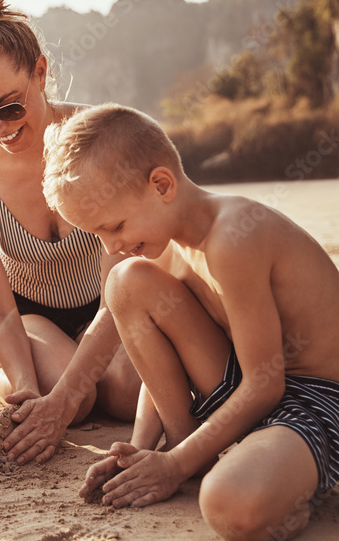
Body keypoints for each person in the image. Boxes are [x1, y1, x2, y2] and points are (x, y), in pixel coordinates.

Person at [42, 103, 339, 540]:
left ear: (161, 184)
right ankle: (198, 455)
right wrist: (141, 450)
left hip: (315, 401)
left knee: (228, 504)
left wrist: (175, 462)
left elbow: (265, 383)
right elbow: (156, 367)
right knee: (126, 282)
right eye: (99, 236)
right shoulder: (166, 248)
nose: (114, 245)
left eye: (116, 226)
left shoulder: (233, 237)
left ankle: (209, 466)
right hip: (246, 388)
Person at [0, 0, 141, 465]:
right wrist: (27, 392)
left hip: (102, 301)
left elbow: (120, 293)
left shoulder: (100, 137)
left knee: (125, 395)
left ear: (40, 72)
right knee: (75, 401)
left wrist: (67, 393)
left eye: (8, 106)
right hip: (18, 311)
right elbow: (0, 310)